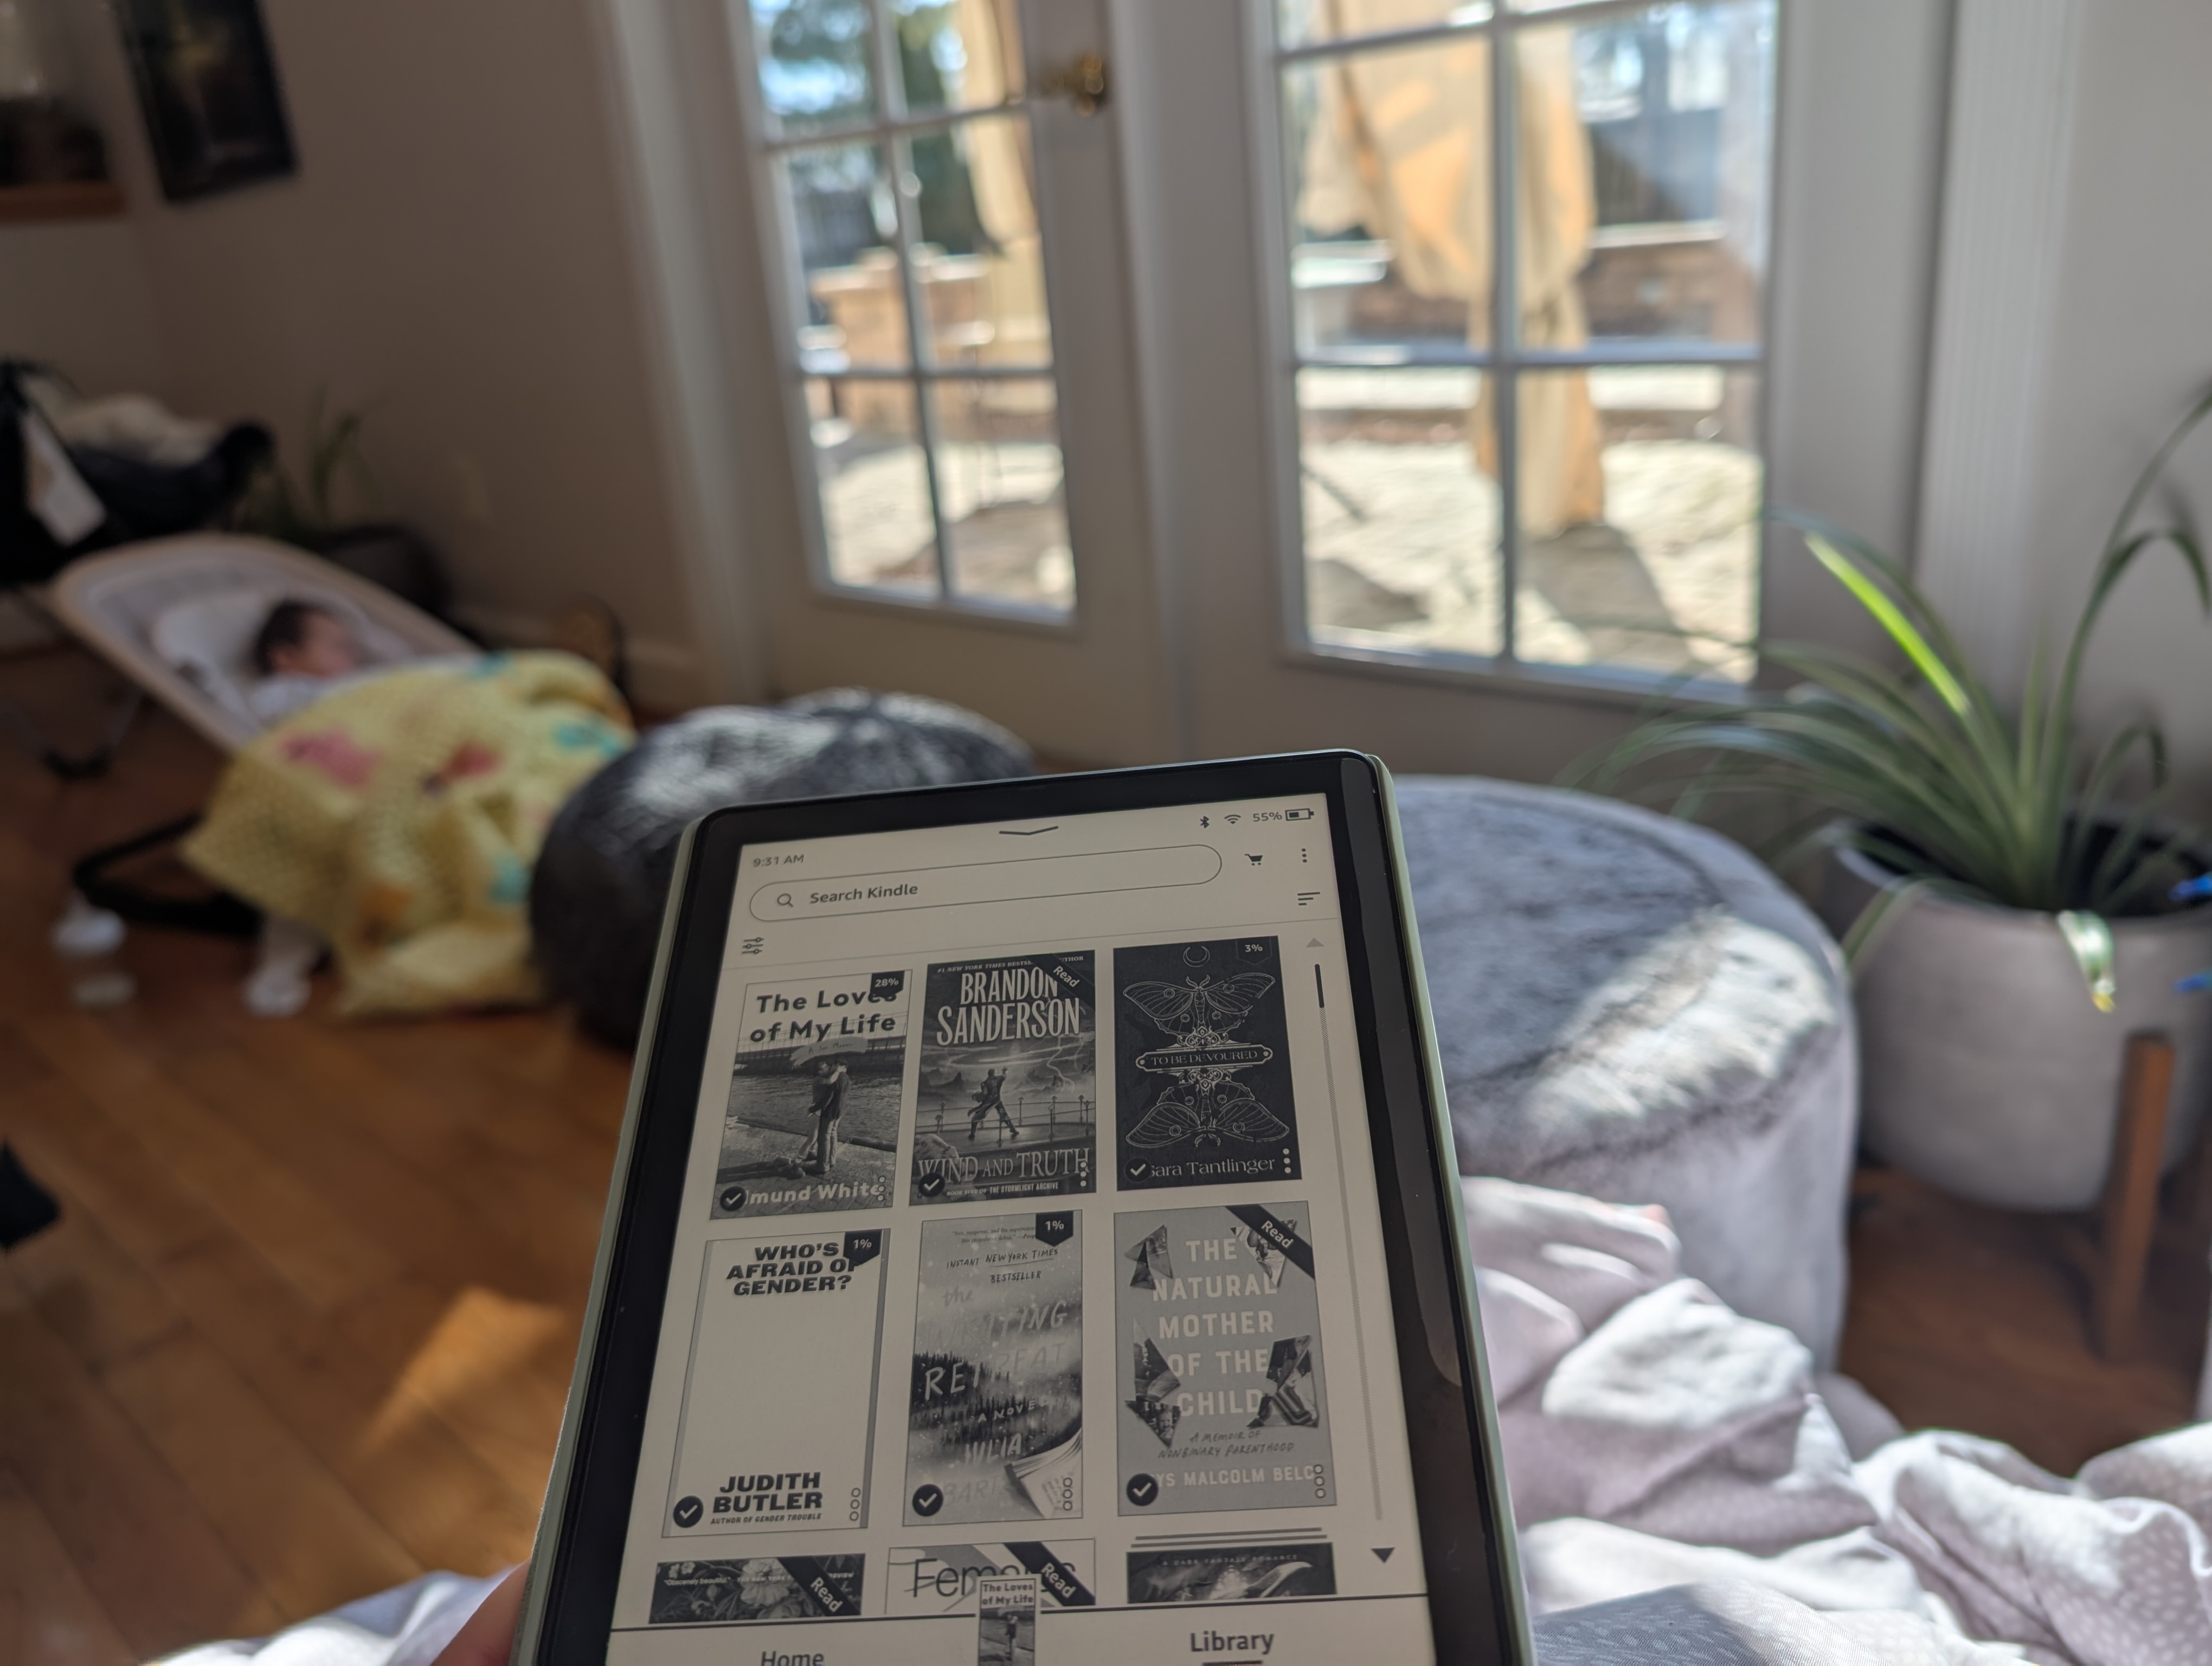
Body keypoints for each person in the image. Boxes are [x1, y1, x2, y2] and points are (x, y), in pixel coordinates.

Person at [247, 598, 375, 724]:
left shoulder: (358, 683)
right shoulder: (280, 692)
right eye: (341, 647)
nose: (357, 657)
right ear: (287, 656)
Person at [803, 1055, 849, 1174]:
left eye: (832, 1066)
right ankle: (832, 1160)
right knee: (833, 1135)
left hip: (830, 1112)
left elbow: (827, 1100)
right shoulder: (847, 1078)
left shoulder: (836, 1078)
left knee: (824, 1138)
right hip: (840, 1111)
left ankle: (822, 1166)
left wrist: (813, 1109)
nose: (830, 1068)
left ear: (838, 1066)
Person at [967, 1066, 1020, 1142]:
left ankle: (972, 1134)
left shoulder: (985, 1083)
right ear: (994, 1073)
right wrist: (1005, 1071)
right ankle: (1013, 1129)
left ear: (988, 1074)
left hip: (989, 1102)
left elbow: (985, 1093)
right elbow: (1005, 1076)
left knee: (977, 1116)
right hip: (997, 1100)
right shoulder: (999, 1078)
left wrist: (977, 1096)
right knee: (1004, 1115)